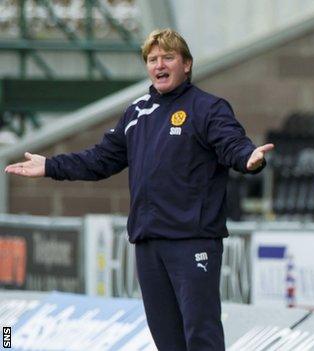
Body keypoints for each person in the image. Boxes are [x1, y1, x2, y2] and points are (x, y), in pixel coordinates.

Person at [5, 29, 273, 351]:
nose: (159, 65)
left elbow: (231, 143)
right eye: (152, 59)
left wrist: (249, 159)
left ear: (186, 64)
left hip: (192, 241)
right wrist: (51, 166)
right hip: (148, 243)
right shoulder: (136, 112)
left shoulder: (208, 108)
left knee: (201, 336)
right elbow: (101, 159)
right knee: (167, 341)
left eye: (168, 58)